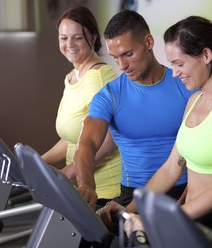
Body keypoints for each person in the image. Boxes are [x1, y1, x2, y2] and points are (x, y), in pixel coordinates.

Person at [102, 16, 212, 248]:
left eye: (179, 63)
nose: (174, 73)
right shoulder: (194, 100)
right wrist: (130, 209)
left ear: (206, 56)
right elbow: (170, 169)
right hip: (192, 219)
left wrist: (160, 221)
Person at [73, 10, 193, 212]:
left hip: (182, 191)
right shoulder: (110, 95)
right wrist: (86, 186)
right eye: (116, 58)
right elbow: (87, 143)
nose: (122, 65)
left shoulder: (185, 85)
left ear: (148, 42)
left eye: (128, 54)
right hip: (132, 194)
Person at [41, 6, 121, 207]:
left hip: (106, 189)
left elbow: (111, 139)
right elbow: (73, 137)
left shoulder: (99, 79)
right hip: (82, 186)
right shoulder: (72, 77)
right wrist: (40, 161)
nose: (69, 44)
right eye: (63, 38)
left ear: (93, 37)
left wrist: (67, 172)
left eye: (77, 37)